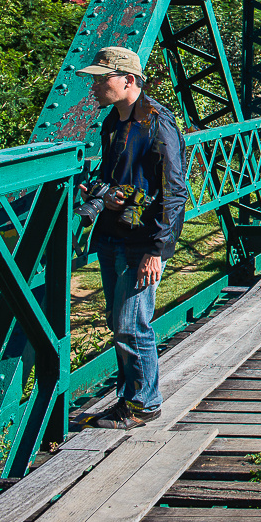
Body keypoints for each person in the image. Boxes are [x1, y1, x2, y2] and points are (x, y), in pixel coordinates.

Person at [74, 46, 188, 429]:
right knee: (118, 321)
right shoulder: (113, 122)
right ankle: (129, 398)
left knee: (132, 325)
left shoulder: (157, 122)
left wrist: (158, 250)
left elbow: (174, 191)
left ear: (128, 80)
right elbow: (113, 173)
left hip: (141, 241)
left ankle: (145, 405)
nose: (94, 86)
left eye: (100, 78)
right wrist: (99, 194)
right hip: (112, 235)